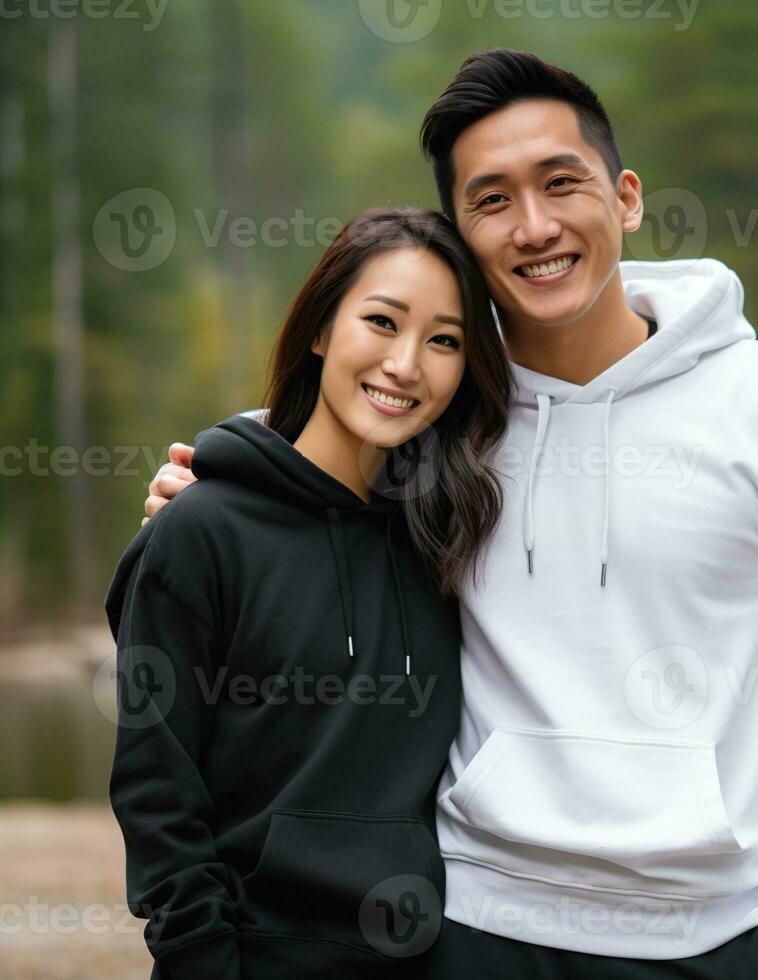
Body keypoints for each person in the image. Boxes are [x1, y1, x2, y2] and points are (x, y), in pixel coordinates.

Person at [144, 50, 758, 980]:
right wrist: (217, 480)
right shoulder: (444, 407)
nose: (535, 225)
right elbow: (320, 437)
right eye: (492, 199)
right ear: (464, 235)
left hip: (711, 937)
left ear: (624, 197)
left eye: (560, 183)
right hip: (468, 925)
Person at [106, 207, 513, 980]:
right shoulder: (202, 529)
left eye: (445, 340)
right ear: (322, 328)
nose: (406, 364)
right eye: (382, 322)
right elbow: (159, 794)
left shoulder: (448, 540)